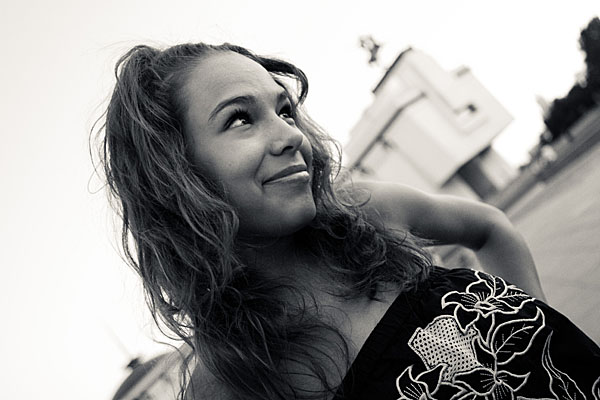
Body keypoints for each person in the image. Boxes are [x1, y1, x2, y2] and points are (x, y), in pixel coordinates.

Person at [98, 42, 600, 400]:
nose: (291, 136)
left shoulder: (368, 212)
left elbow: (490, 227)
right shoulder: (232, 379)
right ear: (175, 173)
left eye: (284, 110)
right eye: (240, 119)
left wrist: (540, 348)